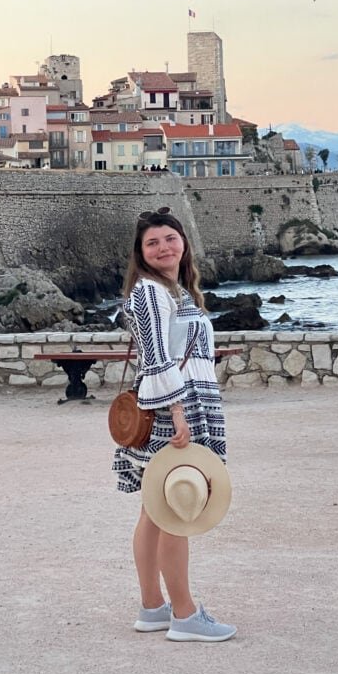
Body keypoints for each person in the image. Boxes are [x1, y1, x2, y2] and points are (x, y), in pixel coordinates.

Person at [112, 208, 236, 643]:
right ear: (141, 253)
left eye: (170, 238)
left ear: (183, 242)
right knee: (175, 514)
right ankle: (184, 614)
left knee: (154, 510)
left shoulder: (176, 291)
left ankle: (152, 607)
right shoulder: (149, 292)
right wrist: (179, 414)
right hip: (173, 411)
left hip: (181, 405)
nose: (163, 247)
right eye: (153, 242)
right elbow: (157, 358)